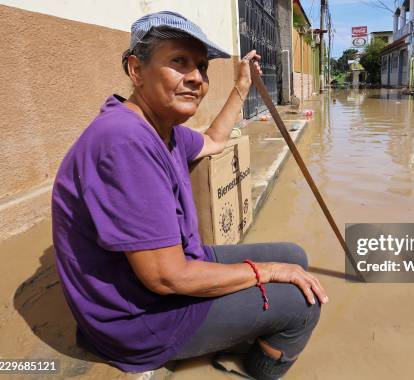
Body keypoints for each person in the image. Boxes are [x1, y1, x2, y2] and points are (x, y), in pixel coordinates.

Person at [51, 11, 327, 379]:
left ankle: (244, 329)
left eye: (201, 66)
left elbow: (213, 140)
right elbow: (167, 278)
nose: (196, 78)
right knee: (300, 304)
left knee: (295, 256)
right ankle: (259, 369)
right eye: (178, 62)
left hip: (170, 271)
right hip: (137, 319)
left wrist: (242, 87)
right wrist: (269, 272)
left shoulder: (160, 127)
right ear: (136, 70)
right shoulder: (125, 141)